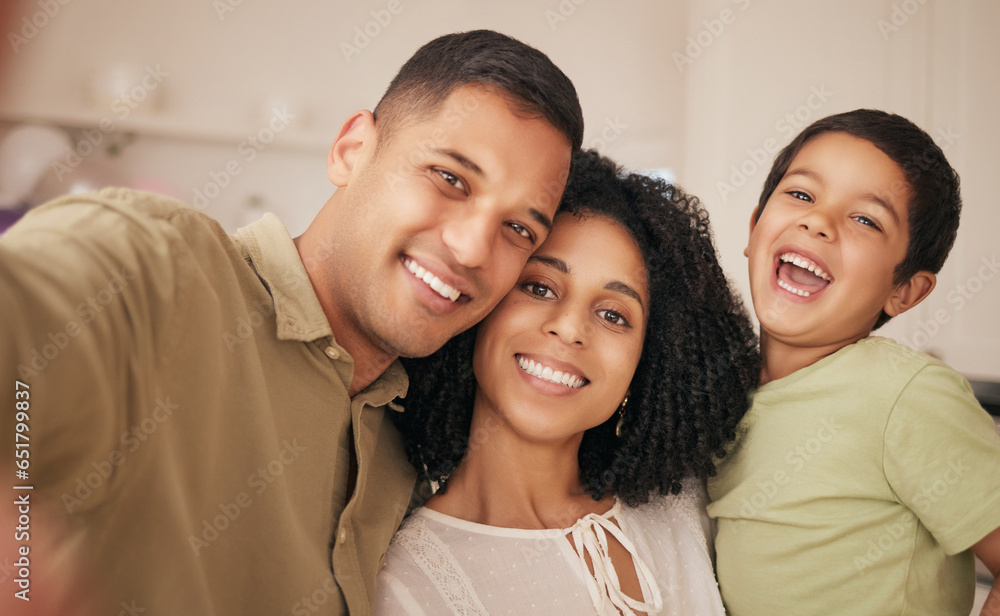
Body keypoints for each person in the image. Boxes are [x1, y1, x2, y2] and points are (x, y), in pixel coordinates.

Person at [0, 30, 583, 615]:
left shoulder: (412, 441)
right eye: (450, 178)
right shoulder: (152, 265)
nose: (472, 248)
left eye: (519, 230)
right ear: (352, 150)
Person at [374, 150, 760, 615]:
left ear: (650, 364)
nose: (571, 328)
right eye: (539, 288)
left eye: (614, 315)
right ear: (481, 308)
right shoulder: (406, 585)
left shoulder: (688, 510)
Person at [707, 109, 1000, 615]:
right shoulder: (720, 395)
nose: (818, 221)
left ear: (905, 290)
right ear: (755, 231)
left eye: (865, 219)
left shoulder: (906, 395)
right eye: (801, 194)